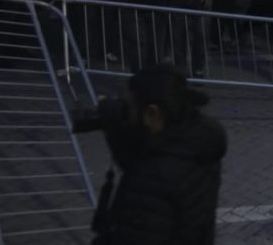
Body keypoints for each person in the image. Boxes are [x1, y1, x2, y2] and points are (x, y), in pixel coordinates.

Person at [85, 65, 227, 245]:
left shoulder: (154, 176)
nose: (127, 114)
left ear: (152, 113)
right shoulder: (199, 146)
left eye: (129, 107)